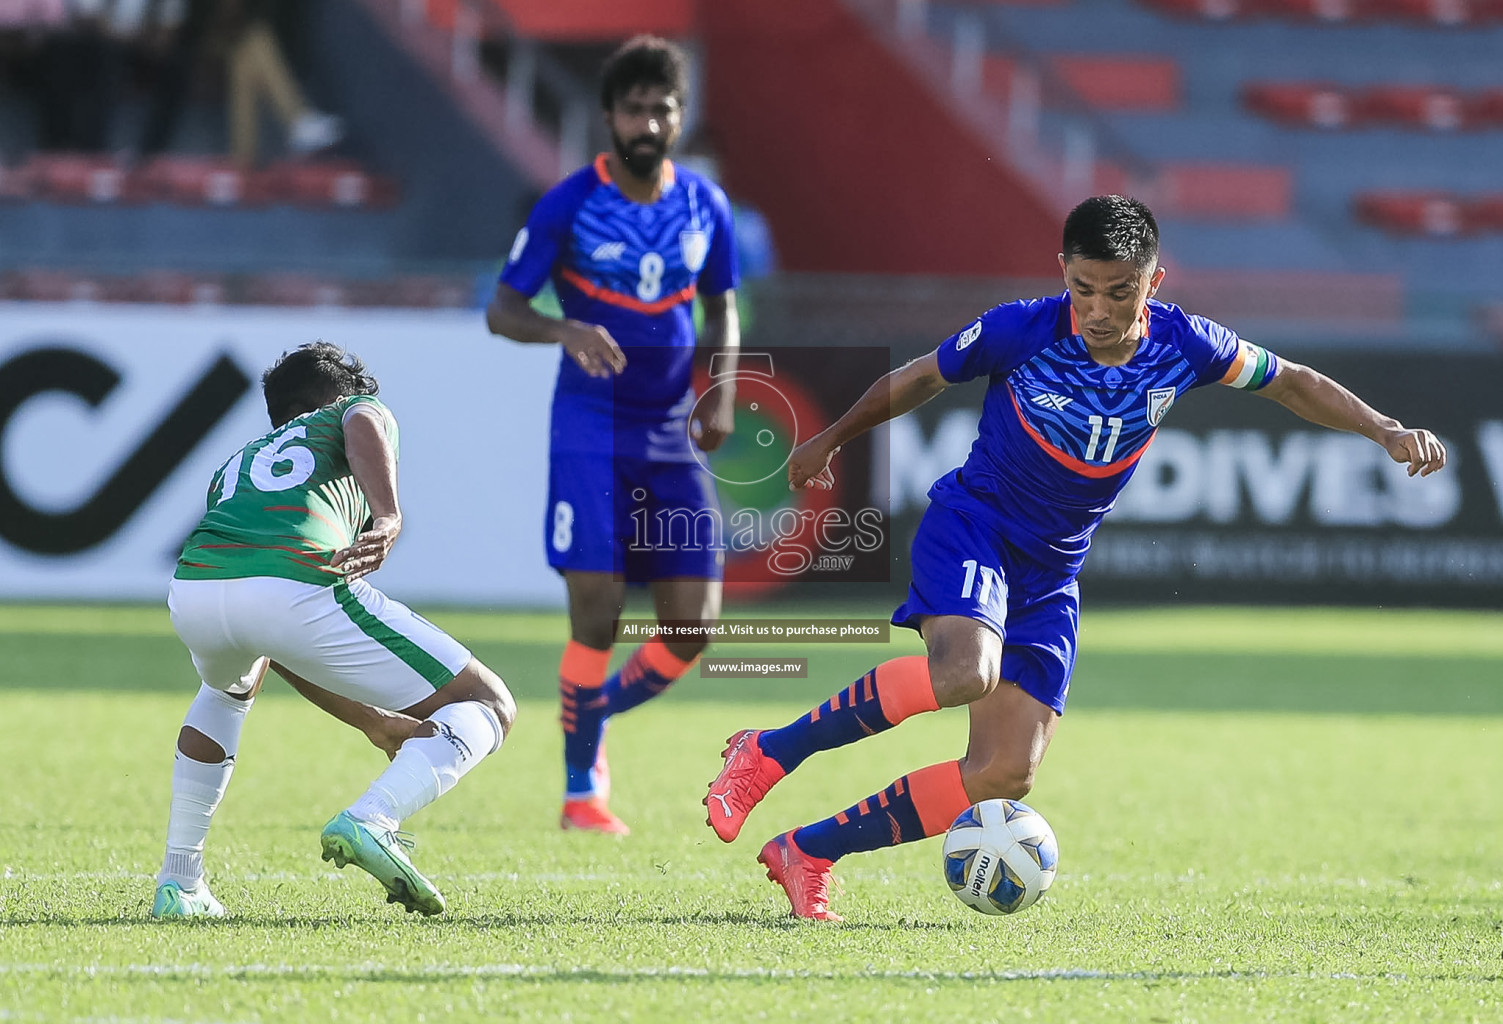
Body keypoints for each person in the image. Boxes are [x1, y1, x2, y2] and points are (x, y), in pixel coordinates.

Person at [704, 195, 1447, 921]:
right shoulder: (1018, 330)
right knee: (964, 671)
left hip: (1052, 569)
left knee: (1005, 773)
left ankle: (807, 851)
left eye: (1118, 292)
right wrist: (829, 437)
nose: (1096, 308)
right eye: (1082, 288)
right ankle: (767, 752)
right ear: (1062, 271)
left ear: (1152, 283)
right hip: (977, 525)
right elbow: (923, 375)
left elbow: (1291, 383)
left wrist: (1383, 429)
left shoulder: (1186, 344)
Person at [152, 342, 517, 919]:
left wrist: (369, 720)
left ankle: (180, 881)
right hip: (291, 582)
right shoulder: (350, 411)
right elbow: (366, 416)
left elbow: (273, 640)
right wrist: (391, 515)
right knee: (488, 701)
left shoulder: (237, 463)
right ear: (336, 396)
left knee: (225, 693)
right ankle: (376, 816)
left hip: (193, 590)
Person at [485, 36, 741, 835]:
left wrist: (724, 386)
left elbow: (724, 303)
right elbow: (503, 310)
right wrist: (565, 332)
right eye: (633, 107)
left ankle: (590, 715)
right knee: (595, 612)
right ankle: (580, 787)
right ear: (608, 117)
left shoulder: (705, 205)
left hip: (670, 429)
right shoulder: (567, 202)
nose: (647, 120)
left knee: (692, 626)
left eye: (661, 107)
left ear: (679, 115)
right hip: (589, 425)